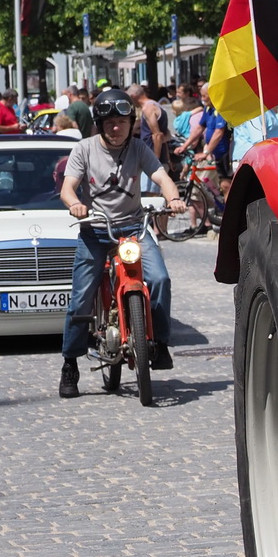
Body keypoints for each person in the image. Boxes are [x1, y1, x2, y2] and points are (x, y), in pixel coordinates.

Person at [56, 89, 184, 398]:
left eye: (122, 121)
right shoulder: (84, 149)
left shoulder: (139, 148)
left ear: (131, 122)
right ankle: (70, 363)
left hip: (134, 229)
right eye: (110, 122)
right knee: (81, 297)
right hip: (96, 231)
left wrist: (174, 197)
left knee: (159, 279)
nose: (117, 128)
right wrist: (75, 204)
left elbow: (161, 176)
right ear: (99, 124)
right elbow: (68, 188)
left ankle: (160, 343)